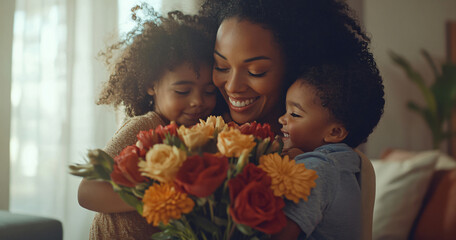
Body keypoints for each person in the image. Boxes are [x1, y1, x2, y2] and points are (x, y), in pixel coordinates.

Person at [199, 0, 381, 239]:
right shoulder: (199, 134)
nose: (232, 86)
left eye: (256, 71)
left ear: (295, 68)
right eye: (221, 66)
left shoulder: (334, 164)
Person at [77, 8, 218, 239]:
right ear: (151, 85)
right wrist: (157, 198)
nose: (198, 102)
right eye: (182, 91)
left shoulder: (203, 134)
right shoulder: (143, 126)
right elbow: (87, 191)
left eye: (209, 91)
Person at [275, 64, 384, 239]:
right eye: (285, 111)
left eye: (294, 114)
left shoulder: (317, 169)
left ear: (335, 132)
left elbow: (281, 234)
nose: (282, 119)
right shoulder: (344, 163)